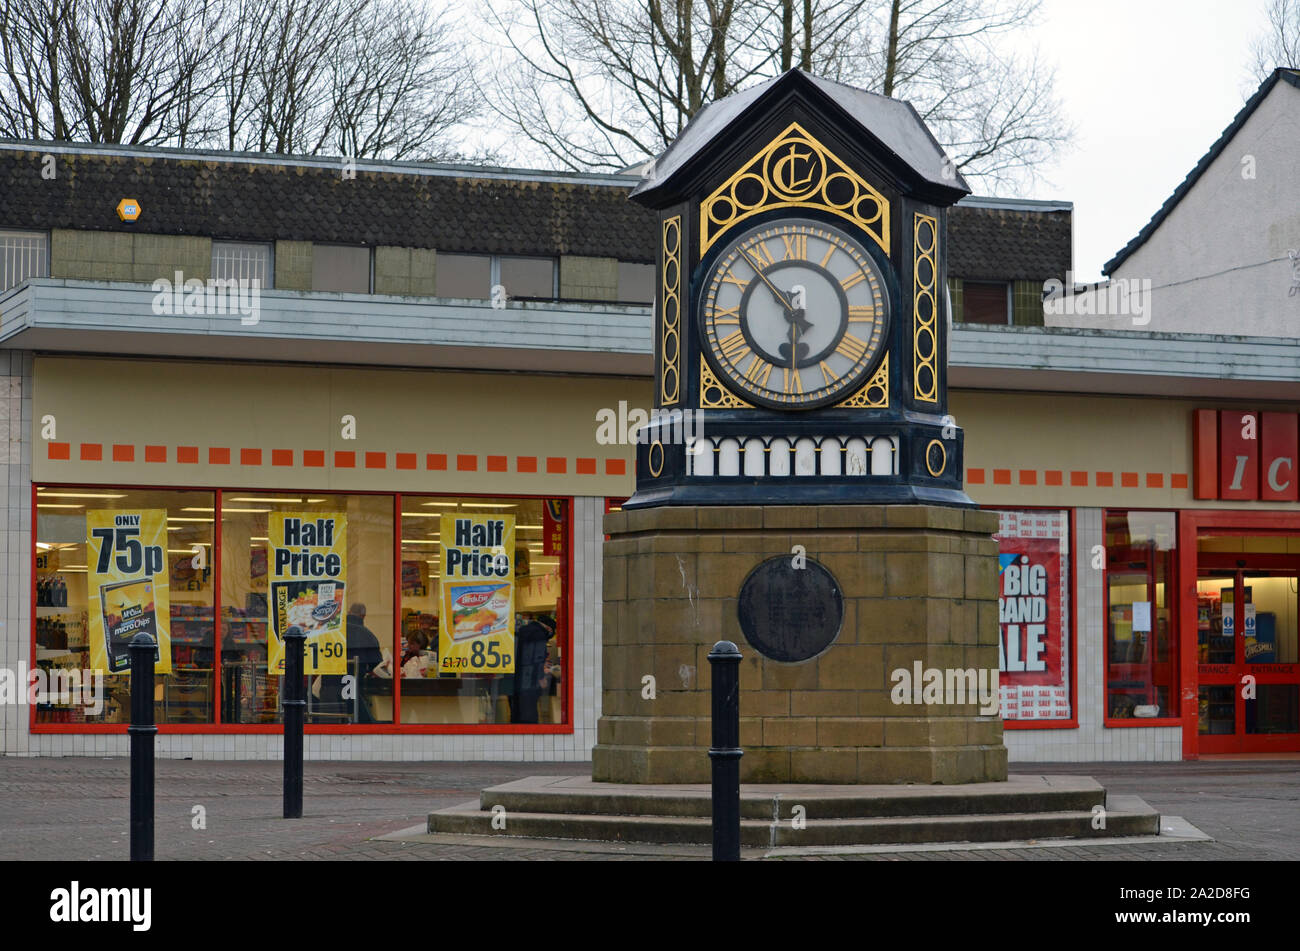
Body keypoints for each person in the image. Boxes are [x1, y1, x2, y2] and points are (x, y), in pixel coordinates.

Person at [317, 602, 384, 722]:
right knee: (354, 718)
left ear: (348, 612)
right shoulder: (368, 635)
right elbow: (377, 663)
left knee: (329, 720)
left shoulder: (333, 632)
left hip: (329, 683)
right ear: (363, 616)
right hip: (352, 684)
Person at [509, 614, 555, 724]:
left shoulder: (522, 630)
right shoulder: (539, 634)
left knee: (516, 715)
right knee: (529, 717)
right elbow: (537, 659)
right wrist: (541, 677)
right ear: (548, 629)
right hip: (529, 682)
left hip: (514, 681)